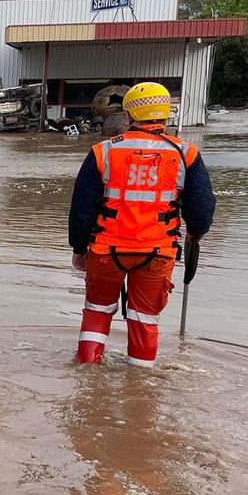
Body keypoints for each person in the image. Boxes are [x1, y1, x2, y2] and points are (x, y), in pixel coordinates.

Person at [68, 82, 216, 368]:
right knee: (144, 319)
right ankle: (141, 382)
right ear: (166, 113)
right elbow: (200, 211)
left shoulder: (104, 152)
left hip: (106, 250)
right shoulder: (187, 155)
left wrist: (78, 248)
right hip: (158, 251)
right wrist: (196, 233)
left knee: (96, 312)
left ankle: (87, 369)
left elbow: (82, 209)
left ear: (129, 115)